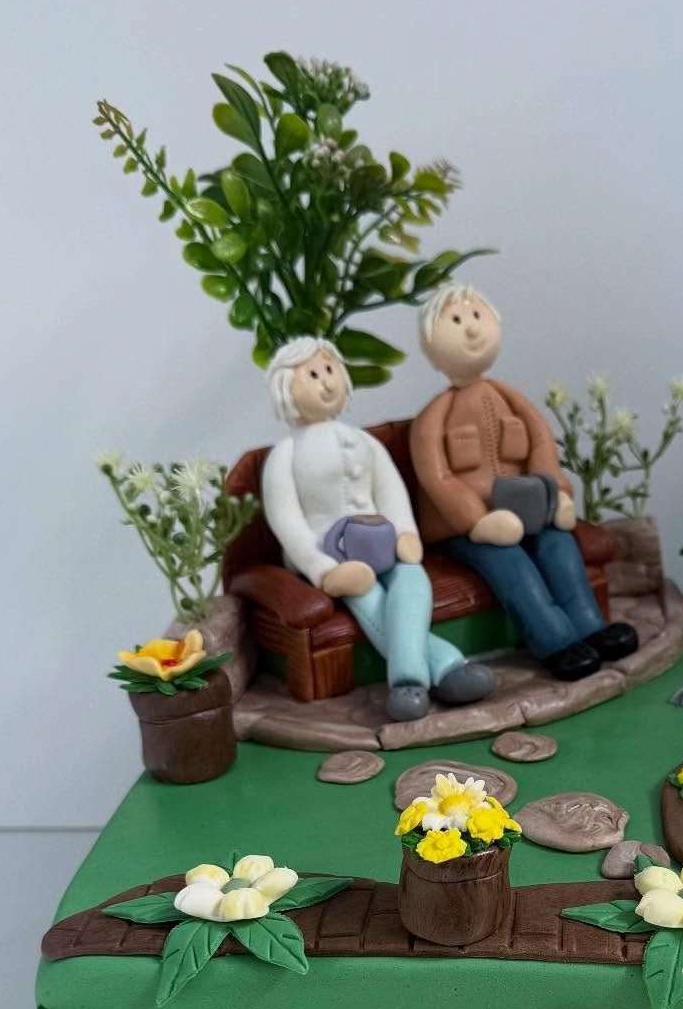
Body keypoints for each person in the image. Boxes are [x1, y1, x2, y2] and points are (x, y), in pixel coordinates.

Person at [408, 286, 639, 681]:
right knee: (508, 559)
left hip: (529, 511)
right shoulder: (433, 417)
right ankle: (553, 640)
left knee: (557, 544)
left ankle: (589, 626)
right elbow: (438, 478)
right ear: (429, 343)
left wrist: (559, 496)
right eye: (458, 322)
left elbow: (541, 448)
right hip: (466, 529)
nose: (471, 330)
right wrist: (477, 521)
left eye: (477, 317)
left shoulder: (512, 400)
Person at [261, 338, 493, 721]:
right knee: (370, 600)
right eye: (313, 374)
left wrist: (405, 532)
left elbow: (390, 491)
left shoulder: (364, 441)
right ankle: (429, 675)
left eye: (330, 370)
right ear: (286, 387)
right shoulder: (283, 455)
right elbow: (287, 522)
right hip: (334, 556)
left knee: (413, 583)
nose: (327, 382)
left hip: (382, 542)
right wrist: (322, 569)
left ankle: (422, 676)